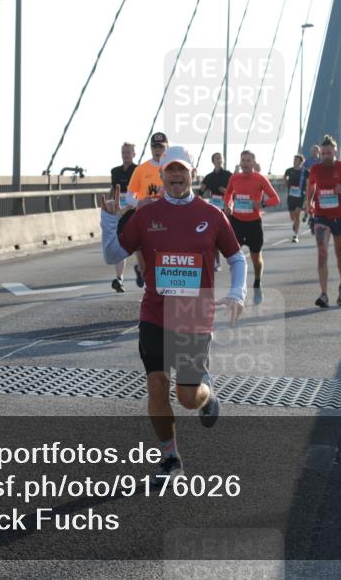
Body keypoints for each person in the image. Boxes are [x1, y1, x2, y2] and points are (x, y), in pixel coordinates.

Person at [100, 145, 246, 486]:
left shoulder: (211, 214)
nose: (177, 176)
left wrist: (237, 292)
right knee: (156, 384)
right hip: (154, 312)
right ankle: (169, 456)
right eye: (170, 170)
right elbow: (112, 255)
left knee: (187, 397)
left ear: (192, 174)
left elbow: (237, 258)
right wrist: (108, 221)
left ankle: (207, 392)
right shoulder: (146, 214)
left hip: (195, 316)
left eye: (183, 170)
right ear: (161, 175)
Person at [305, 135, 341, 307]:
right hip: (321, 216)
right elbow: (311, 185)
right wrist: (309, 202)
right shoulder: (315, 169)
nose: (325, 156)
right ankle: (323, 294)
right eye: (323, 153)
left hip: (340, 217)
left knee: (340, 255)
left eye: (328, 153)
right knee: (322, 254)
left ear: (335, 152)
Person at [223, 150, 280, 305]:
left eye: (248, 160)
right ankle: (236, 290)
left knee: (256, 258)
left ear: (253, 163)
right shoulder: (234, 178)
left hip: (254, 223)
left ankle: (257, 283)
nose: (245, 163)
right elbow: (228, 193)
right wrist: (227, 204)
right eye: (243, 160)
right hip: (237, 222)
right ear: (240, 162)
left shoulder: (260, 179)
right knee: (233, 258)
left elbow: (275, 199)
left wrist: (262, 203)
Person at [127, 132, 169, 287]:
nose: (158, 150)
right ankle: (142, 271)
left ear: (167, 148)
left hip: (167, 218)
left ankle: (159, 290)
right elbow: (129, 196)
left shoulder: (172, 168)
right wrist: (139, 203)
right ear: (151, 148)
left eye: (161, 147)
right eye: (155, 146)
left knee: (162, 257)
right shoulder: (141, 169)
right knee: (144, 259)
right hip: (145, 218)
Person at [108, 142, 137, 292]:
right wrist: (107, 206)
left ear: (134, 154)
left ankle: (141, 269)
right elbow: (113, 190)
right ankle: (119, 279)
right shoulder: (115, 171)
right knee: (119, 245)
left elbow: (141, 192)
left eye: (128, 152)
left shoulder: (138, 170)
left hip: (135, 212)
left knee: (139, 246)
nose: (125, 155)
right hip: (120, 214)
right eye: (123, 152)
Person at [200, 152, 233, 270]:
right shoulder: (209, 177)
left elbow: (236, 191)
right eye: (216, 158)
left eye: (220, 158)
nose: (219, 160)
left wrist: (226, 191)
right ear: (213, 161)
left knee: (227, 236)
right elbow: (200, 192)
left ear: (223, 160)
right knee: (214, 236)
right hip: (213, 209)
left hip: (226, 207)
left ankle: (232, 259)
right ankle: (217, 262)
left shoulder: (229, 175)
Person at [284, 154, 305, 242]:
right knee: (293, 217)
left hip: (300, 196)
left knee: (297, 214)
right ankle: (295, 223)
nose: (294, 162)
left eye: (296, 160)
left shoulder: (305, 171)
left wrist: (306, 191)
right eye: (294, 160)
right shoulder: (289, 170)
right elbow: (285, 176)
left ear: (300, 162)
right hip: (291, 196)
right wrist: (287, 184)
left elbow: (310, 181)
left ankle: (295, 235)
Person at [298, 144, 321, 223]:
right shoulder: (307, 161)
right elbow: (302, 171)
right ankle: (310, 215)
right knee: (308, 200)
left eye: (314, 151)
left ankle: (310, 214)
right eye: (312, 151)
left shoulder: (321, 161)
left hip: (319, 184)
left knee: (316, 201)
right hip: (309, 184)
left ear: (318, 151)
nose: (313, 152)